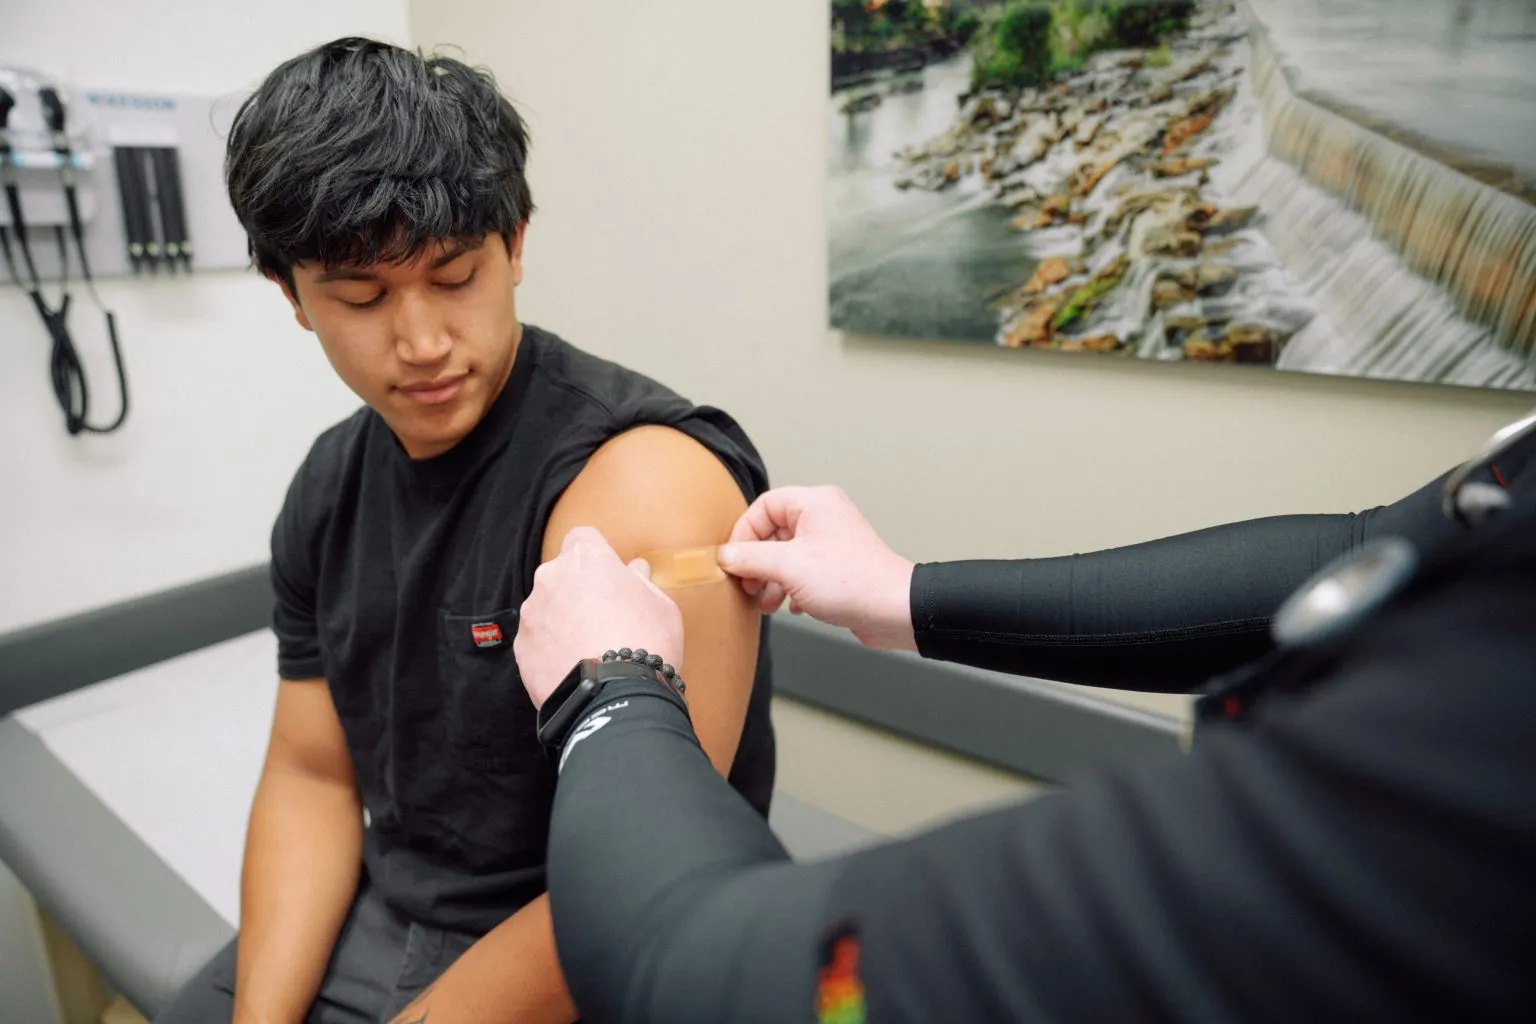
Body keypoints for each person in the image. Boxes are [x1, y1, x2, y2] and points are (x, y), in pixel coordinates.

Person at [514, 413, 1536, 1023]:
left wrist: (609, 687)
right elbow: (1374, 549)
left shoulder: (1452, 798)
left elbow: (693, 974)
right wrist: (907, 593)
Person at [155, 37, 776, 1024]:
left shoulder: (641, 479)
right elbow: (313, 773)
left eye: (454, 276)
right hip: (393, 909)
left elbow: (644, 882)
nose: (423, 342)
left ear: (516, 243)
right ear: (293, 297)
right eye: (361, 297)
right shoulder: (327, 488)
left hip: (611, 943)